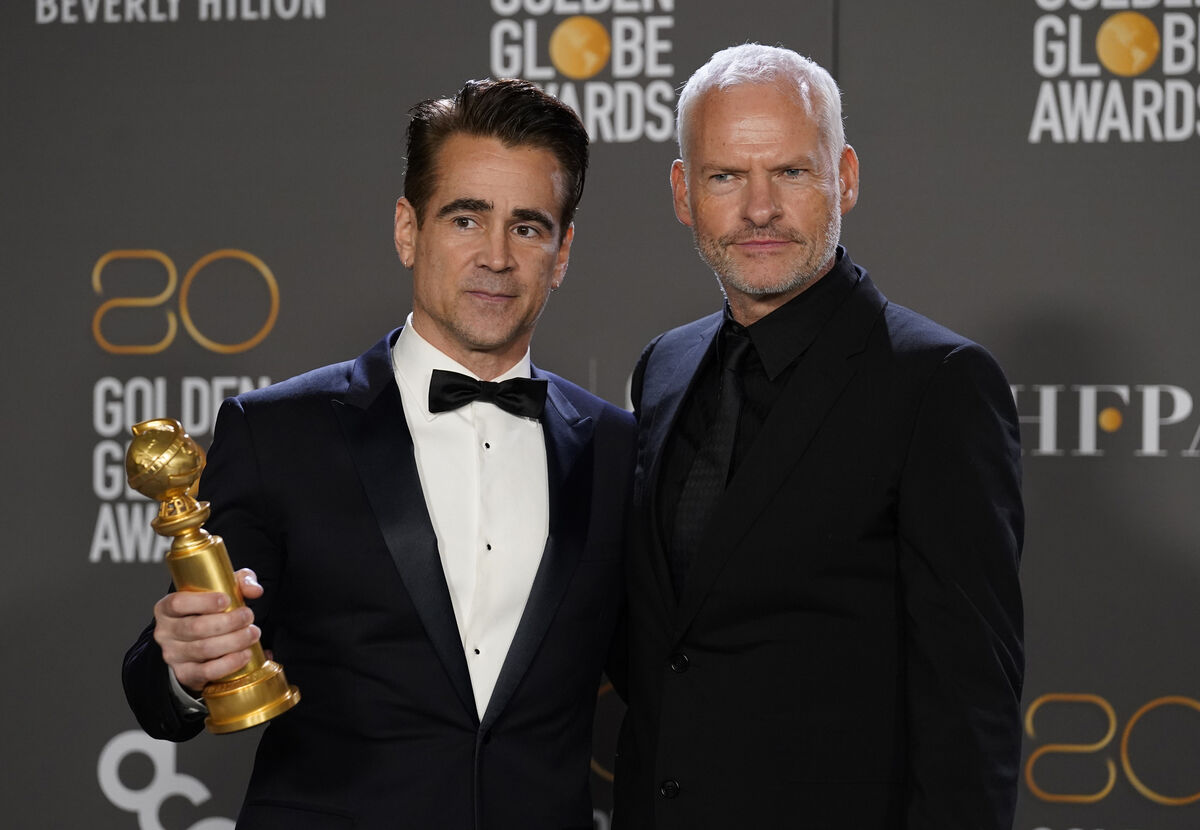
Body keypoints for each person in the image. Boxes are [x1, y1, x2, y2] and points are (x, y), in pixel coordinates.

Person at [123, 78, 635, 830]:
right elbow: (165, 686)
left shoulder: (617, 449)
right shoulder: (278, 434)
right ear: (407, 229)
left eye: (528, 228)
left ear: (561, 255)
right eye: (466, 218)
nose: (496, 256)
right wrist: (182, 663)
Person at [613, 44, 1024, 829]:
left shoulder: (936, 385)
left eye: (792, 173)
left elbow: (972, 709)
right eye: (725, 175)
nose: (759, 209)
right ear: (683, 192)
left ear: (847, 177)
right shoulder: (664, 367)